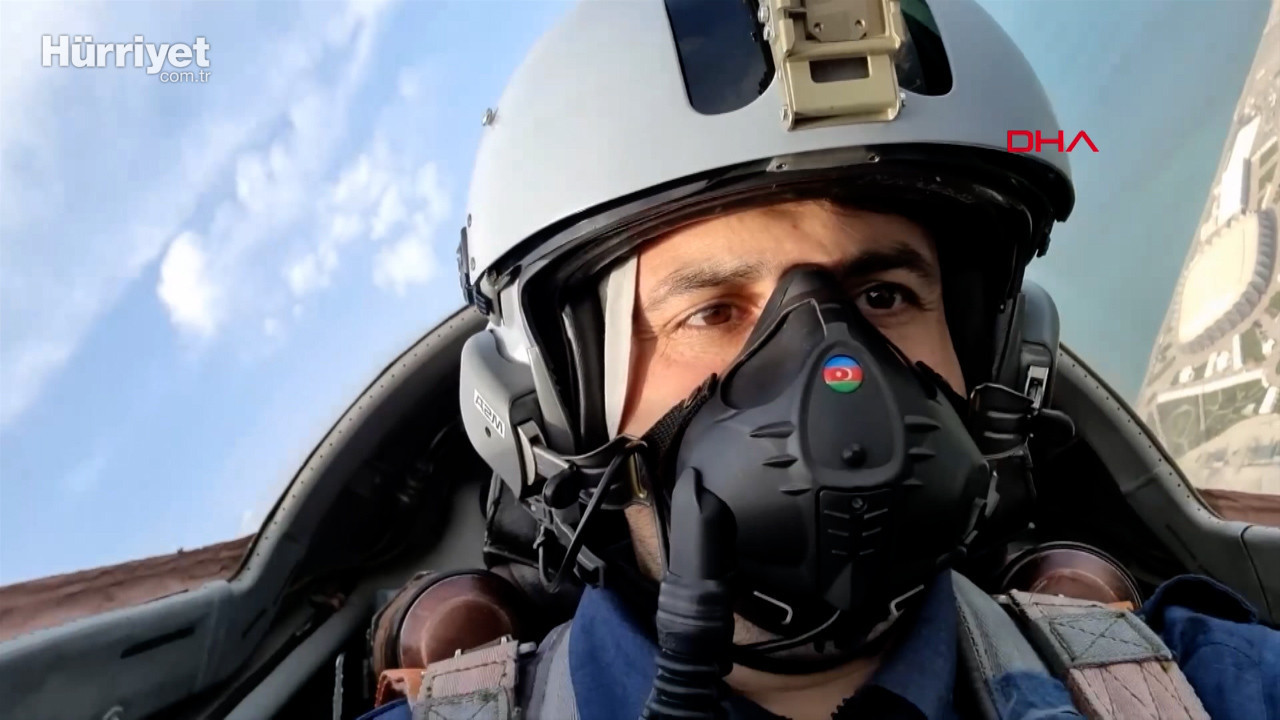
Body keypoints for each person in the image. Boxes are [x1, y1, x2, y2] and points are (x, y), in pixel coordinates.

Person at [360, 1, 1280, 718]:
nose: (834, 378)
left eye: (883, 296)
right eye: (711, 311)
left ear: (997, 364)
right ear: (551, 416)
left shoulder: (1207, 687)